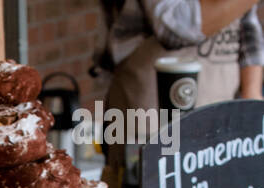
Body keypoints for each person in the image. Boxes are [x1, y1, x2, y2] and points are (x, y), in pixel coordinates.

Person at [100, 1, 263, 111]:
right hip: (151, 112)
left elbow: (248, 26)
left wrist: (252, 92)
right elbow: (173, 29)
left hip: (219, 110)